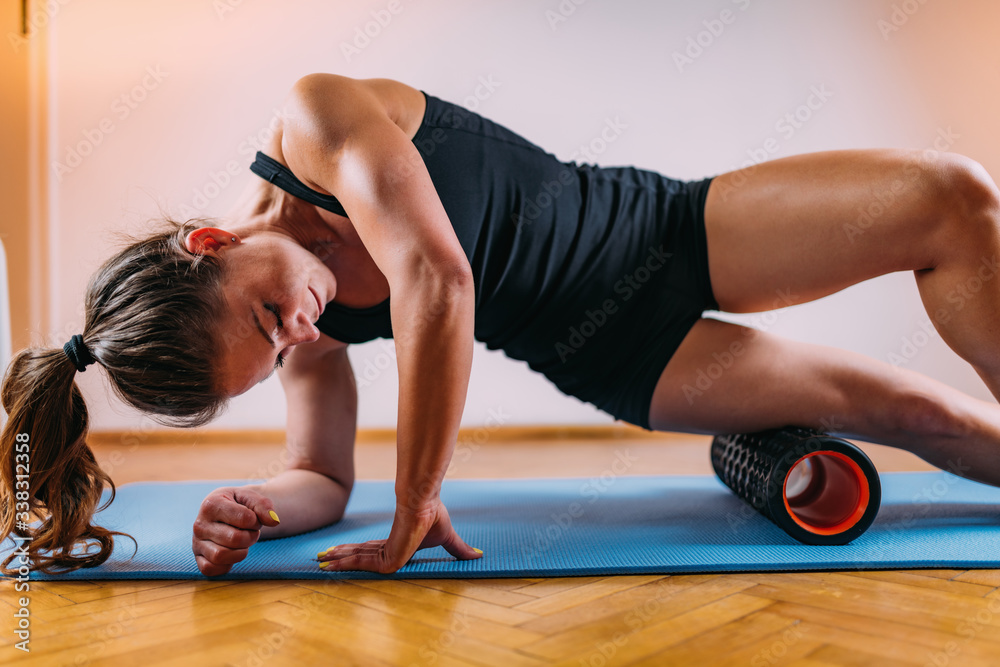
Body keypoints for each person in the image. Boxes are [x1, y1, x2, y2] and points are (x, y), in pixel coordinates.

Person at [3, 73, 1000, 578]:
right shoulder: (314, 330)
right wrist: (255, 505)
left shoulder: (315, 120)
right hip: (617, 353)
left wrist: (421, 494)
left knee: (951, 198)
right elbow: (321, 475)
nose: (298, 335)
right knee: (901, 407)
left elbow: (437, 276)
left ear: (212, 240)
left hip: (665, 228)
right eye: (275, 355)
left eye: (270, 316)